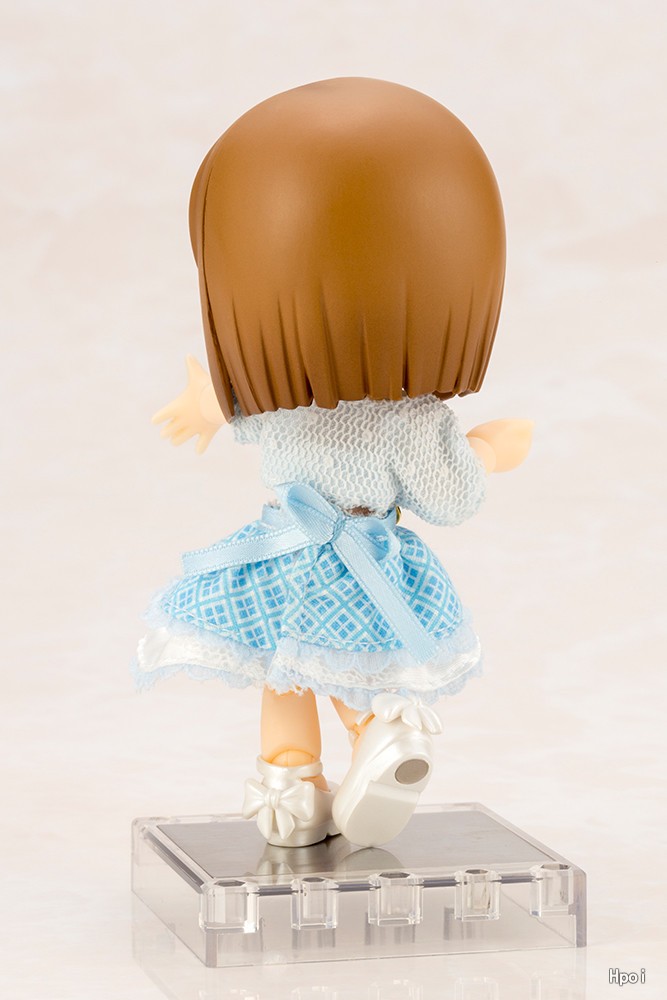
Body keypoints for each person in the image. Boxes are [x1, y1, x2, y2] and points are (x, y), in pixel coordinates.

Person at [136, 78, 532, 849]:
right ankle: (376, 730)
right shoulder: (409, 417)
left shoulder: (277, 396)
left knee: (282, 671)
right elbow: (450, 499)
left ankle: (290, 789)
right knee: (351, 662)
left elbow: (232, 409)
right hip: (362, 556)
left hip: (279, 552)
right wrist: (488, 449)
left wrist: (207, 402)